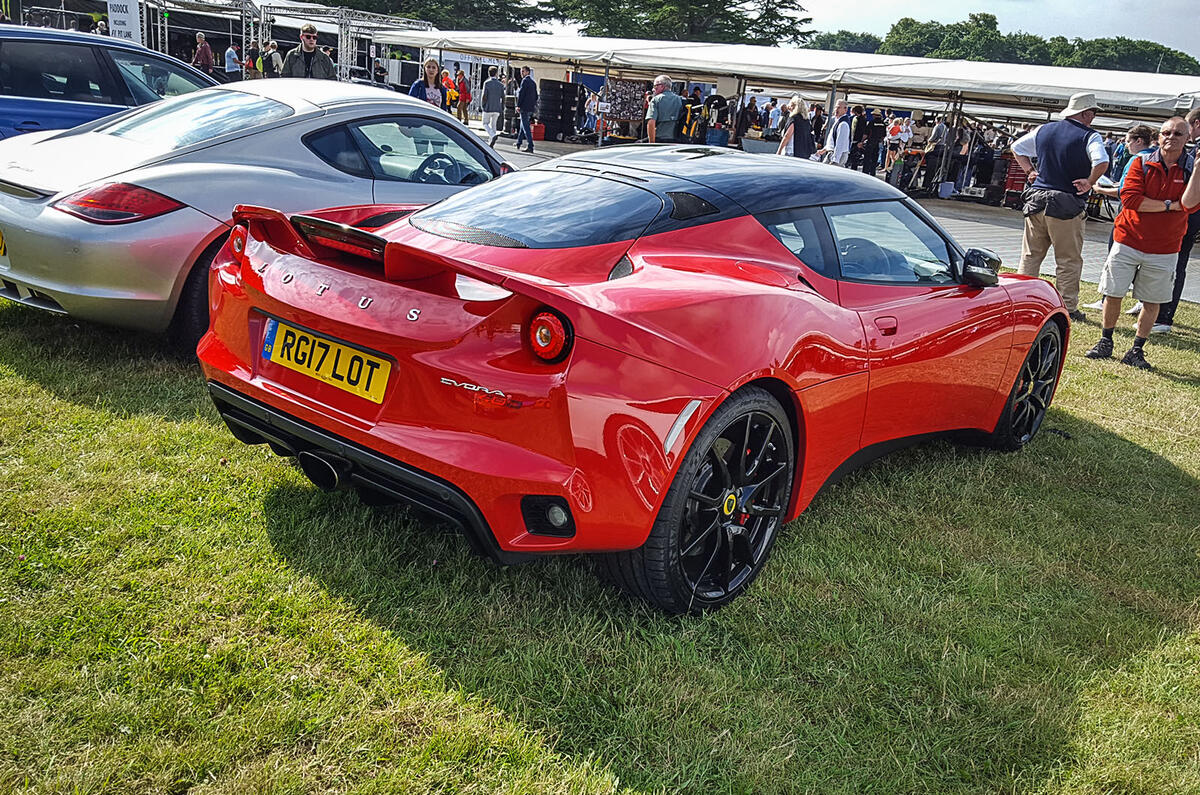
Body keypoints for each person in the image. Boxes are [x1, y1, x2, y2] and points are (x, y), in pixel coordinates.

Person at [1083, 117, 1200, 369]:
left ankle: (1136, 350)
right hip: (1128, 239)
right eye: (1166, 132)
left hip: (1166, 246)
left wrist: (1199, 168)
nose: (1171, 137)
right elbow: (1132, 199)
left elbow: (1190, 205)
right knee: (1113, 292)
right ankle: (1106, 340)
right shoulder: (1140, 161)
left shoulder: (1191, 168)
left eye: (1178, 133)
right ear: (1158, 138)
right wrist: (1171, 205)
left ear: (1187, 138)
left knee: (1152, 300)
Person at [1011, 92, 1110, 320]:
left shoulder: (1044, 130)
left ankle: (1023, 300)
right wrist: (1090, 181)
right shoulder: (1090, 136)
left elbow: (1017, 147)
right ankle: (1067, 306)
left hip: (1036, 198)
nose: (1093, 117)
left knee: (1031, 255)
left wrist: (1030, 171)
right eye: (1093, 112)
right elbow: (1101, 162)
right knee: (1068, 259)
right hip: (1066, 202)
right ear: (1085, 113)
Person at [1153, 107, 1200, 333]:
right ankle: (1155, 309)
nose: (1174, 138)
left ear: (1195, 125)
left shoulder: (1194, 155)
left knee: (1174, 264)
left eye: (1182, 132)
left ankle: (1163, 315)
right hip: (1182, 216)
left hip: (1186, 217)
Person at [645, 75, 682, 144]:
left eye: (655, 86)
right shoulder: (680, 100)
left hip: (659, 139)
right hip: (676, 140)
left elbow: (651, 123)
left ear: (662, 86)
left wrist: (652, 143)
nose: (653, 89)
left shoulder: (656, 100)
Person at [775, 95, 815, 160]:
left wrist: (779, 151)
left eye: (790, 105)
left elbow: (787, 135)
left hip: (792, 150)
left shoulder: (793, 118)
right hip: (804, 152)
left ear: (793, 107)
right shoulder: (807, 121)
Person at [816, 99, 851, 167]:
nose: (836, 109)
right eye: (836, 107)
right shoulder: (838, 121)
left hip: (838, 155)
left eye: (838, 107)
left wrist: (835, 160)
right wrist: (824, 149)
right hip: (833, 153)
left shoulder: (843, 124)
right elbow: (833, 140)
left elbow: (840, 143)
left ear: (845, 109)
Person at [514, 66, 537, 153]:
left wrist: (518, 105)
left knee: (526, 127)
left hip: (524, 107)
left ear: (527, 72)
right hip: (530, 107)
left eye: (523, 71)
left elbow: (521, 94)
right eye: (521, 71)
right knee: (522, 125)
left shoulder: (525, 81)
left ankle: (530, 145)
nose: (521, 73)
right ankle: (518, 142)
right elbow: (536, 96)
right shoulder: (533, 83)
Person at [480, 65, 504, 147]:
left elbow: (484, 96)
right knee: (494, 124)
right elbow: (503, 97)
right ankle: (491, 142)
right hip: (497, 107)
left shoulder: (486, 83)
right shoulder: (500, 85)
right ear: (497, 73)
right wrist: (502, 107)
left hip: (488, 107)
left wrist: (483, 105)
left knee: (485, 123)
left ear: (488, 73)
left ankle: (492, 136)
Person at [862, 108, 885, 177]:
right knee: (874, 159)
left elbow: (866, 134)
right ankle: (872, 173)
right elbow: (884, 135)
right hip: (877, 143)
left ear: (874, 115)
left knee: (867, 159)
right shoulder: (883, 124)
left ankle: (865, 173)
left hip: (870, 142)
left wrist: (862, 141)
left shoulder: (871, 123)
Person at [847, 105, 867, 170]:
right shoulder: (862, 119)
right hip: (856, 140)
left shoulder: (859, 119)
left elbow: (862, 131)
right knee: (854, 158)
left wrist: (860, 141)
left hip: (856, 141)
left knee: (854, 158)